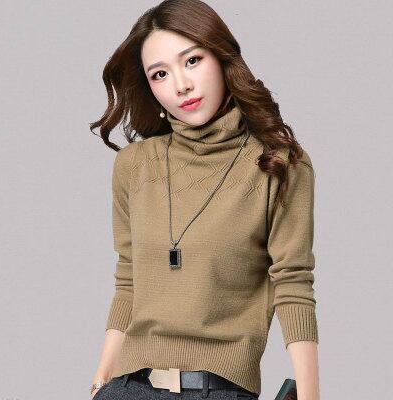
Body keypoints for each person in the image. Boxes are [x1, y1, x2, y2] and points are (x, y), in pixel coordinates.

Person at [89, 0, 320, 399]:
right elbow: (129, 280)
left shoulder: (279, 164)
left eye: (192, 60)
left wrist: (312, 396)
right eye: (160, 74)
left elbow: (293, 284)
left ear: (221, 57)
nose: (181, 85)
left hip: (219, 389)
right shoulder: (134, 166)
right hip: (129, 387)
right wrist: (99, 382)